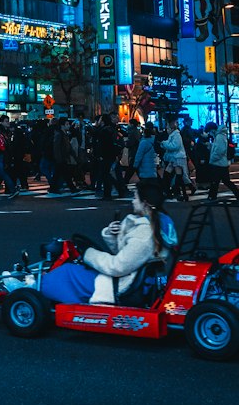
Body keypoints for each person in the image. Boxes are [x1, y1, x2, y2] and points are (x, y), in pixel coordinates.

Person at [39, 180, 178, 304]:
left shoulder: (144, 233)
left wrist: (88, 254)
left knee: (67, 272)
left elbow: (117, 267)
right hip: (134, 277)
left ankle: (39, 290)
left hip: (124, 284)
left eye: (136, 197)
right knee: (76, 270)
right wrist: (113, 235)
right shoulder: (159, 223)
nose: (132, 201)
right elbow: (127, 256)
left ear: (145, 203)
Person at [160, 116, 192, 201]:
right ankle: (178, 192)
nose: (167, 128)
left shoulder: (176, 135)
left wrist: (164, 143)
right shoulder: (174, 134)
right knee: (176, 176)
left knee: (178, 176)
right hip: (175, 158)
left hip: (177, 158)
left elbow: (175, 146)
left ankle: (178, 193)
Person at [206, 122, 239, 201]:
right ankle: (212, 196)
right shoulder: (220, 136)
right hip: (221, 163)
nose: (210, 133)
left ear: (213, 130)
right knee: (223, 181)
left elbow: (220, 151)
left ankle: (212, 197)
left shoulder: (219, 137)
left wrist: (212, 159)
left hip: (218, 163)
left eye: (210, 131)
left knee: (216, 181)